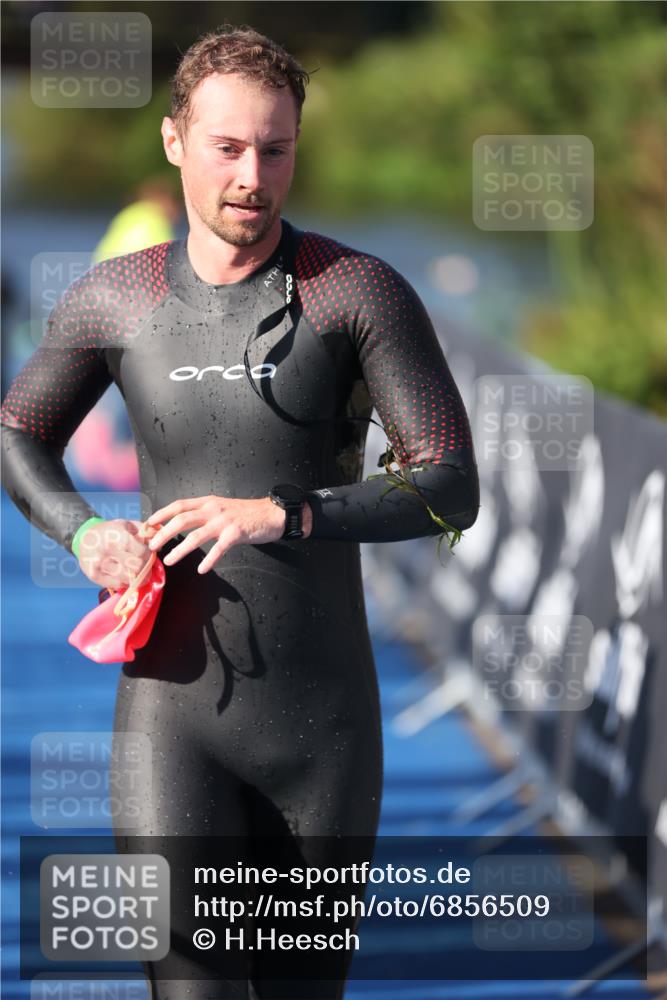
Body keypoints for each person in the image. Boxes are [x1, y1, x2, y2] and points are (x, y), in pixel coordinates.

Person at [1, 24, 480, 1000]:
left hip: (323, 732)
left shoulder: (355, 293)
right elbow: (17, 433)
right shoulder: (116, 299)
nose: (252, 175)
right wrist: (86, 531)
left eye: (276, 148)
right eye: (227, 147)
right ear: (175, 140)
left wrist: (285, 513)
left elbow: (448, 486)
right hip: (168, 725)